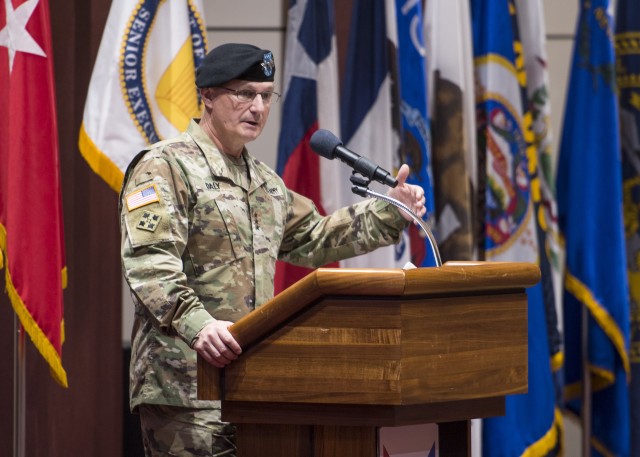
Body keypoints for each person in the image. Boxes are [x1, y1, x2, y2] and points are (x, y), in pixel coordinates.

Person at [120, 42, 427, 457]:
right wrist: (199, 326)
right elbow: (150, 264)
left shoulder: (265, 183)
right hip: (185, 385)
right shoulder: (165, 166)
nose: (258, 108)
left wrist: (391, 212)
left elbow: (316, 237)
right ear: (207, 96)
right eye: (244, 93)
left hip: (253, 385)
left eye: (266, 95)